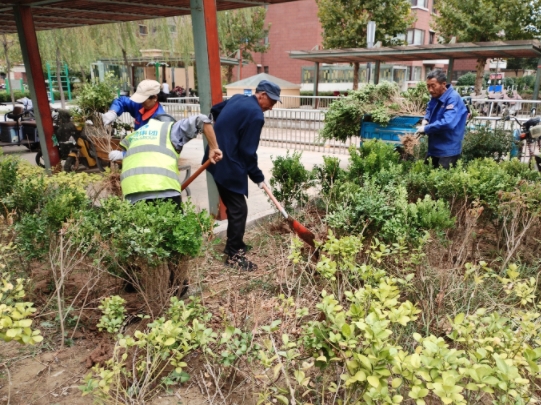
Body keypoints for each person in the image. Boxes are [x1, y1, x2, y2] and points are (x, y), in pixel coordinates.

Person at [204, 80, 281, 271]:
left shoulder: (239, 99)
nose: (270, 107)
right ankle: (234, 256)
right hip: (227, 164)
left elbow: (215, 110)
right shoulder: (256, 115)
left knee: (234, 207)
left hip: (214, 156)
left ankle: (234, 245)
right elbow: (247, 152)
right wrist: (257, 176)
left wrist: (221, 136)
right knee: (239, 210)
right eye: (270, 102)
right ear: (261, 95)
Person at [110, 114, 222, 206]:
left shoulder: (136, 134)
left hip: (131, 191)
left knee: (143, 231)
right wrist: (214, 147)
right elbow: (201, 120)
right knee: (173, 231)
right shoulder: (170, 128)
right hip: (162, 187)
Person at [417, 69, 469, 169]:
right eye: (428, 86)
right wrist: (426, 120)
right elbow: (429, 108)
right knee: (426, 177)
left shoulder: (453, 98)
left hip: (448, 150)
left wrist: (426, 129)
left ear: (443, 84)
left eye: (433, 86)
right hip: (434, 148)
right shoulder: (435, 95)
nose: (430, 90)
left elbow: (448, 123)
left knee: (442, 181)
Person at [102, 79, 166, 130]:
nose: (141, 102)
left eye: (143, 99)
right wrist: (113, 112)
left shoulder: (160, 119)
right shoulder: (139, 105)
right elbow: (122, 101)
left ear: (155, 98)